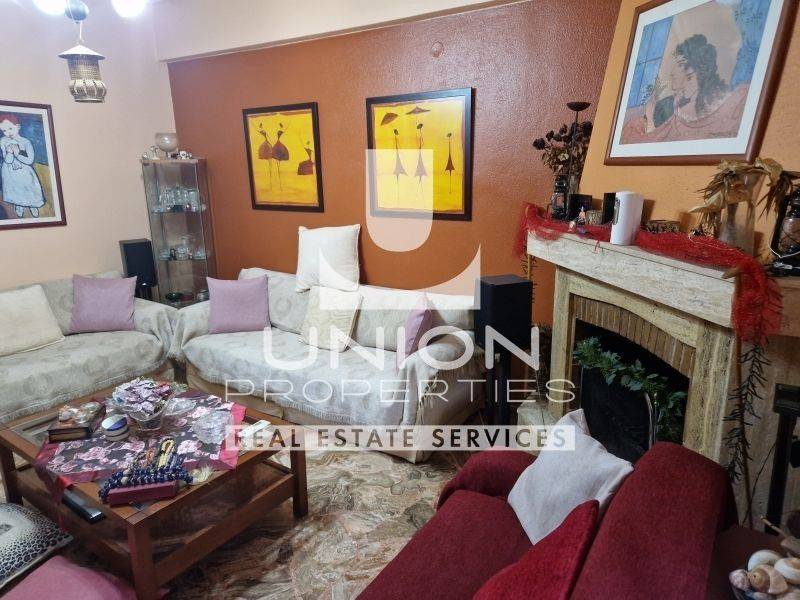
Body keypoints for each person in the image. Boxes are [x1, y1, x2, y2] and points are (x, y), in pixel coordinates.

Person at [0, 114, 45, 218]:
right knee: (15, 187)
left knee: (28, 186)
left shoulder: (26, 142)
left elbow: (29, 161)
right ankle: (18, 204)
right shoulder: (3, 141)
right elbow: (7, 160)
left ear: (18, 127)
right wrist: (10, 153)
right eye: (4, 131)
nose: (8, 133)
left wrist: (17, 153)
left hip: (24, 170)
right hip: (9, 170)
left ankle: (32, 205)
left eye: (10, 128)